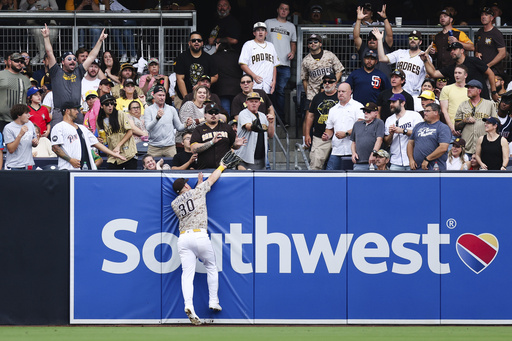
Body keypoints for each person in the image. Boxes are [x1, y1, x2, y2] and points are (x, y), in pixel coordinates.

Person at [170, 159, 230, 325]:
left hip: (183, 238)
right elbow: (212, 178)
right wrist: (222, 166)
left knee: (187, 275)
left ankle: (189, 305)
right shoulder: (197, 192)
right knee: (211, 267)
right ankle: (213, 301)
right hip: (200, 236)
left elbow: (188, 198)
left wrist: (197, 185)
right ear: (186, 187)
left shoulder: (174, 203)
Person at [43, 23, 108, 127]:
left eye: (74, 59)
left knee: (80, 138)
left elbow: (91, 57)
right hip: (60, 112)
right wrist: (46, 37)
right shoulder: (56, 71)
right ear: (63, 62)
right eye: (69, 59)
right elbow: (49, 52)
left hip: (76, 111)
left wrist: (100, 41)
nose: (72, 61)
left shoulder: (79, 71)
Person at [51, 102, 125, 170]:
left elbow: (97, 143)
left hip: (87, 167)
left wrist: (114, 154)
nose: (77, 112)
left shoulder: (82, 128)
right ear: (67, 111)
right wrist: (70, 160)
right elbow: (55, 147)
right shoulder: (59, 127)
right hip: (68, 168)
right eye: (75, 109)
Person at [422, 42, 498, 101]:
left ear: (462, 50)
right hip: (463, 104)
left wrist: (494, 92)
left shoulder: (474, 61)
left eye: (454, 49)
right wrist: (425, 60)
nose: (452, 52)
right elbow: (433, 74)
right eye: (451, 50)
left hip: (481, 99)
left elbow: (490, 73)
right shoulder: (451, 68)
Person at [264, 2, 297, 124]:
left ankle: (280, 120)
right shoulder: (268, 22)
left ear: (288, 12)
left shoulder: (291, 26)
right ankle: (268, 117)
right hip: (269, 63)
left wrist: (293, 52)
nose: (283, 11)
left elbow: (293, 42)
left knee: (280, 91)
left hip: (284, 64)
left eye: (286, 9)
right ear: (277, 10)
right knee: (268, 89)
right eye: (282, 9)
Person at [373, 28, 430, 97]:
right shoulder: (400, 53)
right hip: (397, 93)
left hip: (414, 95)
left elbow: (429, 75)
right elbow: (382, 58)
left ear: (420, 42)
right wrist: (379, 40)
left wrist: (427, 60)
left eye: (415, 38)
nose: (412, 40)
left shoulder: (425, 57)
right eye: (410, 38)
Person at [190, 104, 245, 169]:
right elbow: (193, 148)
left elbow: (233, 146)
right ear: (205, 114)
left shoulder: (227, 127)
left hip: (225, 168)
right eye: (210, 113)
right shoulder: (199, 129)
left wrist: (237, 145)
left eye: (216, 113)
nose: (213, 115)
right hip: (205, 169)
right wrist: (211, 143)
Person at [323, 83, 363, 170]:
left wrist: (346, 133)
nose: (340, 93)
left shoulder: (358, 106)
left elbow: (361, 127)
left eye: (343, 91)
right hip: (337, 150)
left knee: (354, 178)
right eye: (339, 91)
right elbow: (329, 130)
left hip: (354, 150)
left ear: (350, 92)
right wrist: (327, 136)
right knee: (330, 176)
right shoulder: (333, 110)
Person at [145, 86, 193, 157]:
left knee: (173, 167)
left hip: (170, 147)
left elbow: (179, 127)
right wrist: (157, 118)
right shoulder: (148, 110)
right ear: (153, 95)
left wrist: (186, 124)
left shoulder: (171, 109)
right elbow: (148, 128)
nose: (162, 97)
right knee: (152, 167)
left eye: (163, 95)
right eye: (159, 95)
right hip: (154, 147)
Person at [304, 72, 339, 170]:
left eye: (330, 81)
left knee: (336, 167)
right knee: (315, 164)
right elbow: (310, 116)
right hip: (320, 137)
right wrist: (307, 134)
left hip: (338, 137)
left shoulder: (340, 97)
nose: (327, 84)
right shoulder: (317, 97)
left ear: (335, 83)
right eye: (325, 81)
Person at [454, 80, 498, 155]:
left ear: (479, 91)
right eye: (468, 88)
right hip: (466, 147)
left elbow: (496, 124)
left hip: (484, 147)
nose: (469, 90)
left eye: (472, 88)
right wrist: (464, 121)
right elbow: (456, 127)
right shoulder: (463, 105)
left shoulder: (489, 104)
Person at [96, 94, 138, 169]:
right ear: (102, 106)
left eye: (112, 103)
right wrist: (100, 140)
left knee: (130, 179)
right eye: (107, 104)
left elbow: (130, 132)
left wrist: (118, 146)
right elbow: (103, 138)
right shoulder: (99, 120)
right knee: (113, 179)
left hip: (128, 153)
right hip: (113, 155)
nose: (110, 106)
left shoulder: (120, 114)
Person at [301, 34, 344, 105]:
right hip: (313, 94)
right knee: (309, 115)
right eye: (310, 42)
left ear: (320, 44)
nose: (313, 44)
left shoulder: (329, 55)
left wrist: (332, 83)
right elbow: (304, 79)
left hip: (329, 92)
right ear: (308, 45)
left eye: (315, 42)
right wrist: (308, 94)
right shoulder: (306, 60)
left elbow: (339, 70)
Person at [236, 92, 275, 169]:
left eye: (256, 101)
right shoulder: (243, 113)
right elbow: (248, 127)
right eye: (251, 101)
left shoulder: (263, 116)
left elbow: (270, 135)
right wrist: (255, 126)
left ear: (259, 103)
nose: (254, 103)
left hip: (260, 157)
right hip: (244, 156)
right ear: (246, 103)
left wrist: (271, 123)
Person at [384, 93, 423, 170]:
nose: (391, 104)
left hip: (412, 160)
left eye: (394, 102)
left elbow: (421, 134)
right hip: (395, 161)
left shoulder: (414, 115)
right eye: (390, 102)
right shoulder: (389, 120)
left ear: (403, 103)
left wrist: (403, 131)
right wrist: (391, 134)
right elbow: (387, 142)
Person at [407, 103, 451, 170]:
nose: (425, 113)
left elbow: (443, 147)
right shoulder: (418, 126)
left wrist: (427, 159)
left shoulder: (443, 127)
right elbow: (410, 143)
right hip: (417, 167)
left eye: (427, 111)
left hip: (435, 168)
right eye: (424, 111)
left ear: (436, 112)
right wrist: (411, 159)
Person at [239, 22, 278, 96]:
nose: (260, 32)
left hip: (267, 85)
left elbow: (274, 65)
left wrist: (274, 81)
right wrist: (254, 76)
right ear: (254, 33)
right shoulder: (248, 44)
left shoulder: (271, 46)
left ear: (266, 33)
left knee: (266, 106)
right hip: (253, 85)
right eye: (258, 30)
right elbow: (243, 64)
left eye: (262, 30)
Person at [353, 4, 393, 75]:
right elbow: (356, 37)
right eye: (370, 39)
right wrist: (359, 19)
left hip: (384, 82)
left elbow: (389, 35)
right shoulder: (364, 48)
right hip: (368, 82)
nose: (372, 40)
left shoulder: (385, 47)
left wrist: (384, 18)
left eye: (374, 39)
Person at [20, 0, 59, 65]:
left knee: (53, 31)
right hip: (33, 19)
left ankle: (40, 54)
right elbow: (21, 8)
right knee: (38, 32)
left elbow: (55, 7)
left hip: (48, 18)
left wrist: (50, 9)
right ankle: (43, 58)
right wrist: (28, 3)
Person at [0, 52, 30, 132]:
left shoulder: (26, 79)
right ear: (10, 61)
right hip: (1, 119)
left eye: (21, 62)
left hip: (19, 120)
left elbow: (28, 98)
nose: (19, 63)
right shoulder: (1, 75)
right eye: (16, 61)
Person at [350, 102, 385, 170]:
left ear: (376, 113)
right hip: (359, 162)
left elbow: (379, 139)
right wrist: (353, 153)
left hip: (374, 162)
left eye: (368, 111)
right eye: (364, 111)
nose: (366, 113)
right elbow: (353, 142)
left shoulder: (379, 122)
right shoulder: (357, 124)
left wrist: (373, 153)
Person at [3, 104, 38, 170]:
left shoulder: (30, 124)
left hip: (29, 165)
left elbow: (34, 139)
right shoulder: (8, 128)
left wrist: (35, 142)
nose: (29, 115)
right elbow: (11, 150)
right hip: (14, 166)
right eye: (26, 113)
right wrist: (20, 135)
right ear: (19, 115)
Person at [475, 7, 506, 77]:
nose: (483, 17)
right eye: (482, 15)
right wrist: (477, 53)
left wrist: (488, 65)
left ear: (491, 18)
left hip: (494, 71)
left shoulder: (496, 33)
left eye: (486, 15)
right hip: (481, 70)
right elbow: (476, 49)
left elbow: (502, 53)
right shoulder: (479, 32)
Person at [439, 65, 469, 135]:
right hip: (450, 128)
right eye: (455, 73)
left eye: (459, 73)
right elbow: (444, 110)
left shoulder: (470, 90)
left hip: (468, 128)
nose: (457, 75)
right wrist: (452, 127)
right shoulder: (447, 89)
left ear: (465, 75)